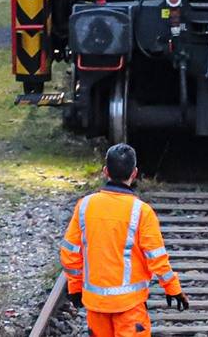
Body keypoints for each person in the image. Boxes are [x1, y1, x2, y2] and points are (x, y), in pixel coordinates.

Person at [60, 144, 188, 336]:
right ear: (134, 173)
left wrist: (76, 287)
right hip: (129, 306)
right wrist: (172, 288)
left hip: (96, 305)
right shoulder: (141, 211)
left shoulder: (85, 206)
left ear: (105, 172)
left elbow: (70, 253)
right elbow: (156, 258)